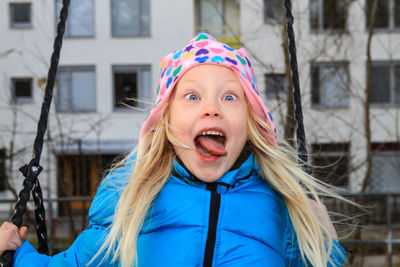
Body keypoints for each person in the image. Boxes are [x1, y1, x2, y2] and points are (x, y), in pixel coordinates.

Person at [0, 32, 348, 266]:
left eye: (229, 97)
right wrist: (15, 255)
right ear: (165, 123)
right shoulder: (132, 199)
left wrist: (325, 242)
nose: (211, 109)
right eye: (192, 96)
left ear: (251, 123)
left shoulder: (278, 206)